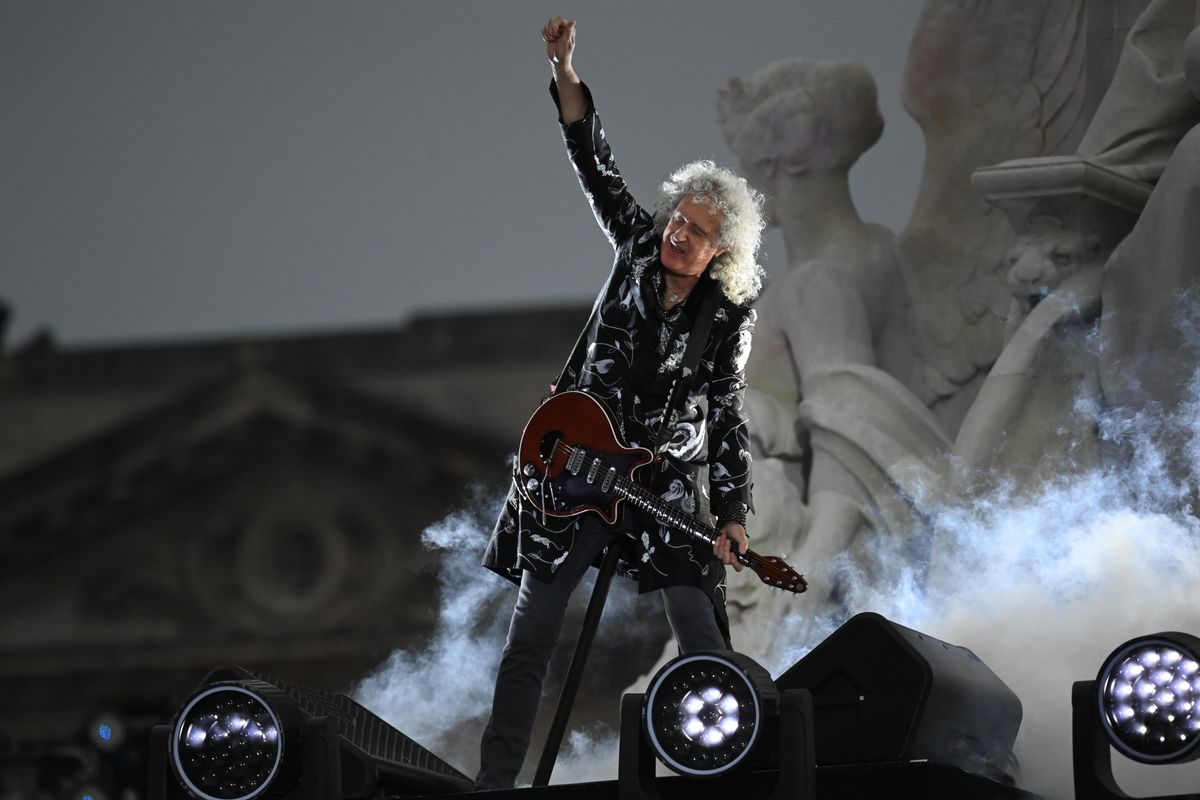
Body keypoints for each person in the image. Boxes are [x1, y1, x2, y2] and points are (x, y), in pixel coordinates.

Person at [475, 16, 767, 790]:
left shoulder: (728, 315)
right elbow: (592, 161)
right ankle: (494, 784)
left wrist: (733, 512)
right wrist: (567, 70)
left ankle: (724, 772)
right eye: (679, 219)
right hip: (575, 468)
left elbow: (728, 412)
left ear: (719, 254)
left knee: (700, 628)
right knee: (530, 638)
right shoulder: (638, 244)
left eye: (698, 233)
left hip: (659, 481)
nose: (678, 235)